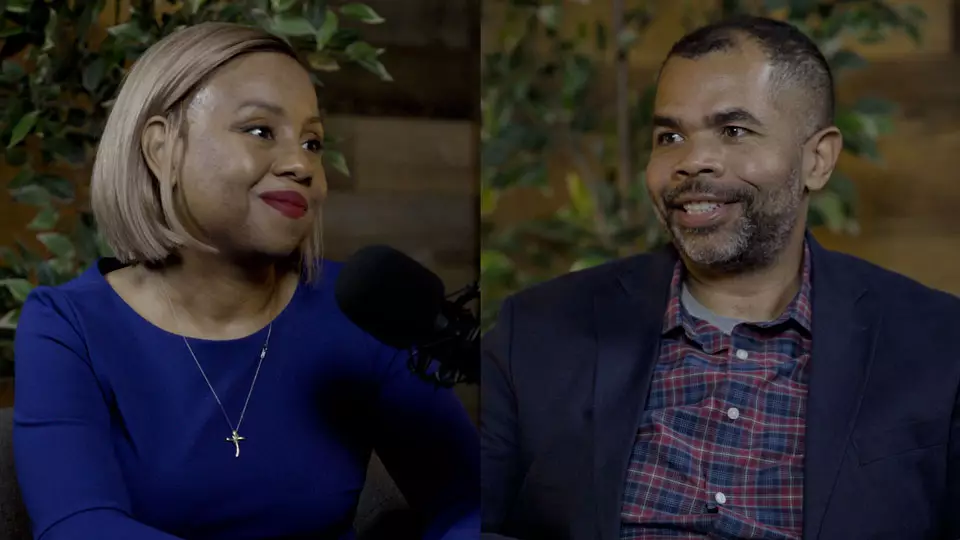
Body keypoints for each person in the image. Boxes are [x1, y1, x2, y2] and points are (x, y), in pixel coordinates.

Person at [481, 15, 960, 540]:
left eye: (733, 131)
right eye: (670, 135)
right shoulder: (537, 330)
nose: (693, 161)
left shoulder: (938, 343)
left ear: (817, 160)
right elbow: (466, 519)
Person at [13, 22, 479, 540]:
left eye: (313, 142)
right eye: (260, 131)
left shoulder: (362, 314)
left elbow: (468, 501)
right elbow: (77, 526)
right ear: (161, 147)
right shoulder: (67, 325)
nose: (301, 164)